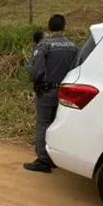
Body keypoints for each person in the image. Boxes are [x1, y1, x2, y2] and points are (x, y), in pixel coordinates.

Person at [25, 14, 79, 173]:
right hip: (66, 92)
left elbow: (34, 71)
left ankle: (43, 160)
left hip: (47, 91)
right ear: (64, 27)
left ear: (49, 27)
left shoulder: (44, 46)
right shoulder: (73, 46)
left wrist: (36, 83)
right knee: (58, 124)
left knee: (43, 124)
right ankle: (57, 158)